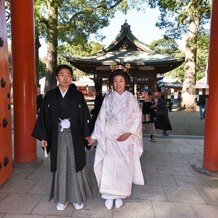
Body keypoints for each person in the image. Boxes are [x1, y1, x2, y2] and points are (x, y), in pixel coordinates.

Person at [32, 64, 92, 211]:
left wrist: (87, 135)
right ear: (57, 77)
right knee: (60, 165)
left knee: (74, 164)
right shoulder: (50, 95)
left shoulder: (77, 95)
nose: (65, 78)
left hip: (75, 136)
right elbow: (44, 118)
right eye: (62, 75)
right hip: (56, 136)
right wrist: (44, 137)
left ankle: (77, 198)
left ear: (71, 77)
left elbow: (85, 116)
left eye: (68, 75)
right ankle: (62, 198)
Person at [87, 64, 144, 210]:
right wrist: (94, 136)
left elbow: (137, 117)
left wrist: (129, 133)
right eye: (115, 81)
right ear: (112, 83)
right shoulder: (108, 98)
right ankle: (108, 195)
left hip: (125, 138)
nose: (118, 84)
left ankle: (120, 195)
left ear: (126, 83)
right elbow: (101, 118)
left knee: (123, 166)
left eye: (121, 81)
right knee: (109, 166)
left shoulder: (131, 98)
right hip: (109, 136)